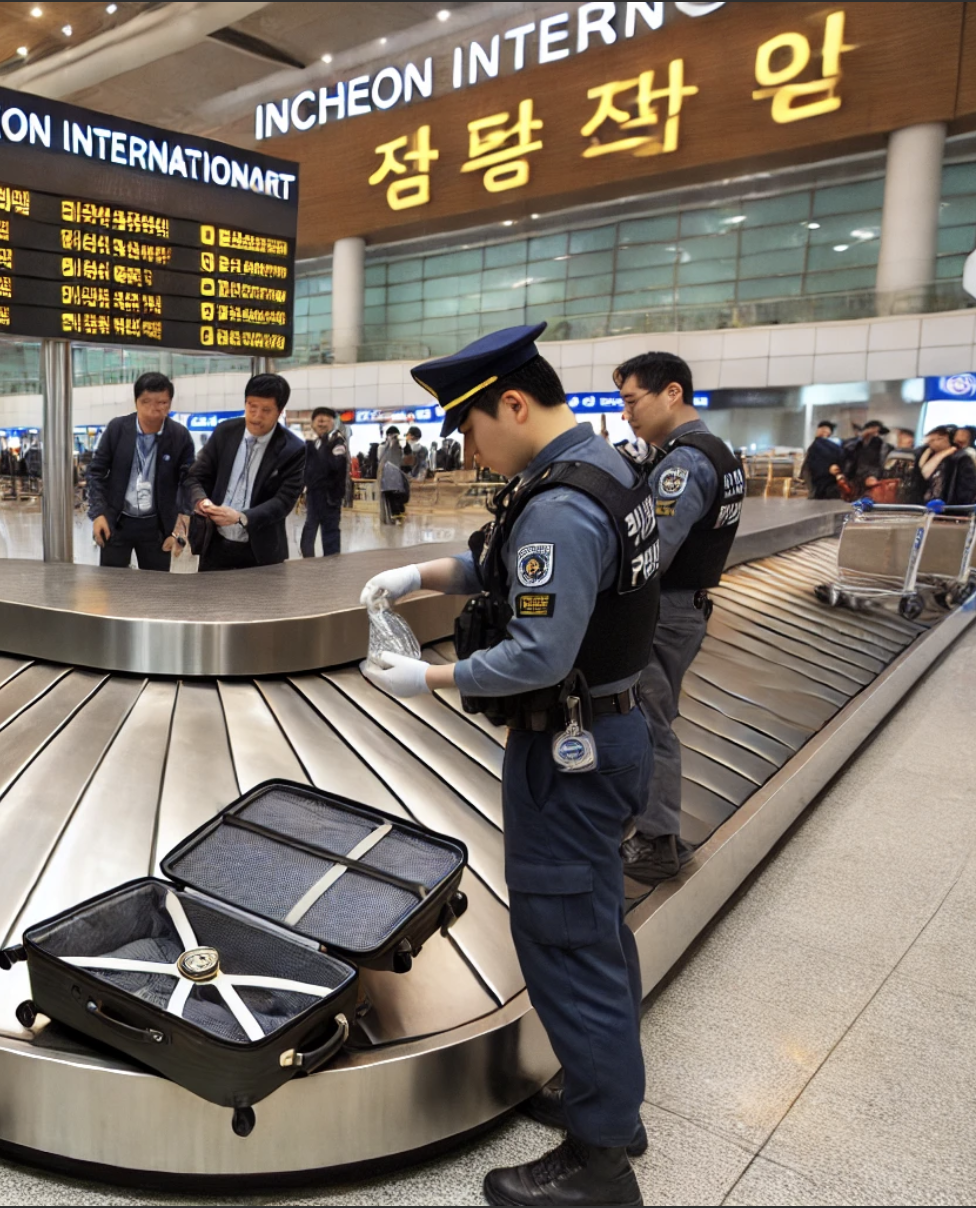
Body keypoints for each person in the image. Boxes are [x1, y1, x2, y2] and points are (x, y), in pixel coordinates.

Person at [362, 323, 657, 1206]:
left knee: (567, 943)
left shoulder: (561, 505)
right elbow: (506, 564)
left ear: (514, 405)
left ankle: (600, 1162)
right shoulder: (598, 469)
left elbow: (537, 652)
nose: (469, 449)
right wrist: (421, 575)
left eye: (471, 429)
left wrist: (428, 677)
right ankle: (613, 1104)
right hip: (612, 732)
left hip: (570, 751)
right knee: (596, 929)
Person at [615, 351, 742, 885]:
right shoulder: (718, 452)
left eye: (631, 400)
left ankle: (657, 841)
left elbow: (654, 552)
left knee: (648, 721)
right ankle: (651, 826)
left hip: (664, 611)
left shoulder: (684, 464)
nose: (626, 414)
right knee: (653, 716)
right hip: (685, 608)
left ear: (672, 393)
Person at [186, 373, 306, 570]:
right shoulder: (225, 433)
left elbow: (283, 501)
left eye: (266, 410)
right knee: (209, 591)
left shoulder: (293, 449)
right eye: (252, 406)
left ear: (280, 411)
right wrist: (202, 501)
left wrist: (240, 517)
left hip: (260, 551)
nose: (256, 416)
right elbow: (195, 477)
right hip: (215, 544)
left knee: (258, 592)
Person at [86, 371, 195, 571]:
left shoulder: (180, 436)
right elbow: (96, 472)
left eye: (161, 403)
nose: (153, 409)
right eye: (146, 402)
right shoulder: (117, 429)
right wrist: (98, 513)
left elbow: (188, 483)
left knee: (155, 585)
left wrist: (179, 529)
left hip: (158, 526)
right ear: (136, 402)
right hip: (116, 521)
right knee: (112, 582)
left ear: (170, 403)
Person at [298, 407, 350, 557]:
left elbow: (334, 466)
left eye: (326, 420)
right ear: (313, 424)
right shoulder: (314, 443)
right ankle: (309, 563)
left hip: (329, 497)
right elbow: (308, 468)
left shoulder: (337, 441)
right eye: (318, 420)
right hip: (313, 495)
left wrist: (324, 443)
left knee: (330, 534)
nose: (321, 423)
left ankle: (332, 566)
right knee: (309, 531)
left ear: (332, 423)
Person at [918, 426, 976, 506]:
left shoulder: (961, 458)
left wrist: (957, 506)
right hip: (927, 505)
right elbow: (923, 474)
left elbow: (970, 487)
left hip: (949, 507)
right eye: (931, 440)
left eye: (938, 439)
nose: (933, 442)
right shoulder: (929, 455)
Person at [803, 420, 843, 499]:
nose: (823, 430)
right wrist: (828, 469)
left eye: (826, 428)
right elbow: (812, 465)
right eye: (822, 428)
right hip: (823, 486)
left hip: (829, 485)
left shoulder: (834, 446)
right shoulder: (815, 446)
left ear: (829, 432)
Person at [379, 427, 411, 522]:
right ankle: (391, 517)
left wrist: (405, 443)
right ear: (388, 436)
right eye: (393, 436)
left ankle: (398, 515)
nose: (395, 438)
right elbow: (380, 459)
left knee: (400, 497)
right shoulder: (382, 447)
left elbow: (408, 457)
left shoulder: (401, 446)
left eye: (396, 436)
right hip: (387, 477)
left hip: (398, 476)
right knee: (389, 498)